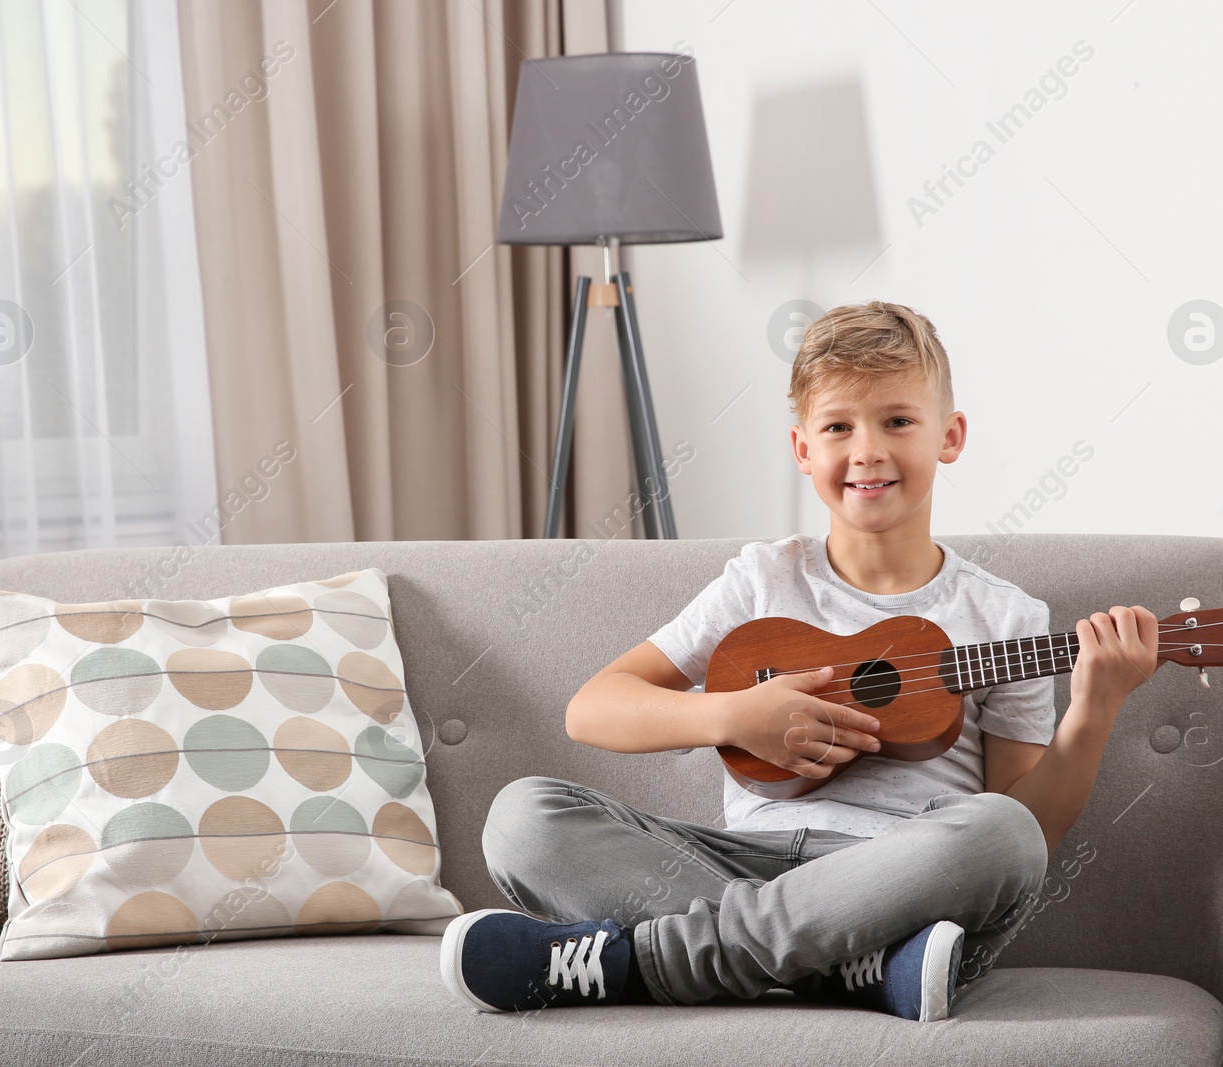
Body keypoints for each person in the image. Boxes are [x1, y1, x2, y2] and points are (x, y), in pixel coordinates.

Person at [438, 300, 1159, 1021]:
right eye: (839, 425)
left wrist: (1094, 709)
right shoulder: (762, 579)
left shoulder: (1006, 619)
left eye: (898, 421)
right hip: (738, 863)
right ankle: (849, 969)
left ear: (950, 435)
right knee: (521, 818)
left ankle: (643, 962)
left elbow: (1032, 824)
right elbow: (592, 706)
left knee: (1003, 834)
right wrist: (734, 715)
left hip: (898, 880)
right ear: (802, 448)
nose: (868, 449)